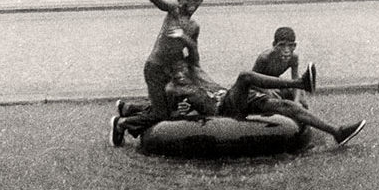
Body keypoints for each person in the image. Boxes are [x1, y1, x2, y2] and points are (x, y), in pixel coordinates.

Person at [111, 61, 365, 148]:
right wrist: (186, 111)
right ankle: (300, 83)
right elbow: (165, 112)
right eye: (175, 70)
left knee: (288, 109)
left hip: (233, 98)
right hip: (225, 108)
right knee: (245, 76)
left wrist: (129, 108)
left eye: (181, 69)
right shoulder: (173, 89)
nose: (180, 72)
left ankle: (337, 132)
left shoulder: (195, 76)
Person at [110, 0, 204, 143]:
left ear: (200, 1)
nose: (192, 2)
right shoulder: (174, 11)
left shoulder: (194, 26)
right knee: (162, 113)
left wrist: (188, 45)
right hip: (155, 67)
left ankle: (129, 108)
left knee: (171, 106)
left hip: (172, 69)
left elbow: (193, 53)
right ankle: (122, 124)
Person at [249, 26, 312, 110]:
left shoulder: (294, 58)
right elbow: (252, 81)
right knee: (273, 99)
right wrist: (267, 91)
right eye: (282, 45)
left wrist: (296, 101)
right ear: (274, 45)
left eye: (290, 46)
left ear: (295, 45)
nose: (286, 50)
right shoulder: (265, 58)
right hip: (261, 87)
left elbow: (296, 81)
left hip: (276, 84)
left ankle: (304, 120)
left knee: (302, 99)